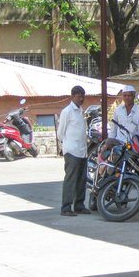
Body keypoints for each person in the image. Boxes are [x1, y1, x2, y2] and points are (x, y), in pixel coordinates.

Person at [58, 85, 90, 216]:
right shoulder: (67, 111)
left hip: (82, 150)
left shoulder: (80, 110)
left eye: (83, 96)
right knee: (70, 180)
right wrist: (65, 147)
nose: (81, 99)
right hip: (71, 150)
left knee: (81, 180)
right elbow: (61, 132)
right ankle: (66, 207)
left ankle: (79, 205)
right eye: (79, 96)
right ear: (73, 97)